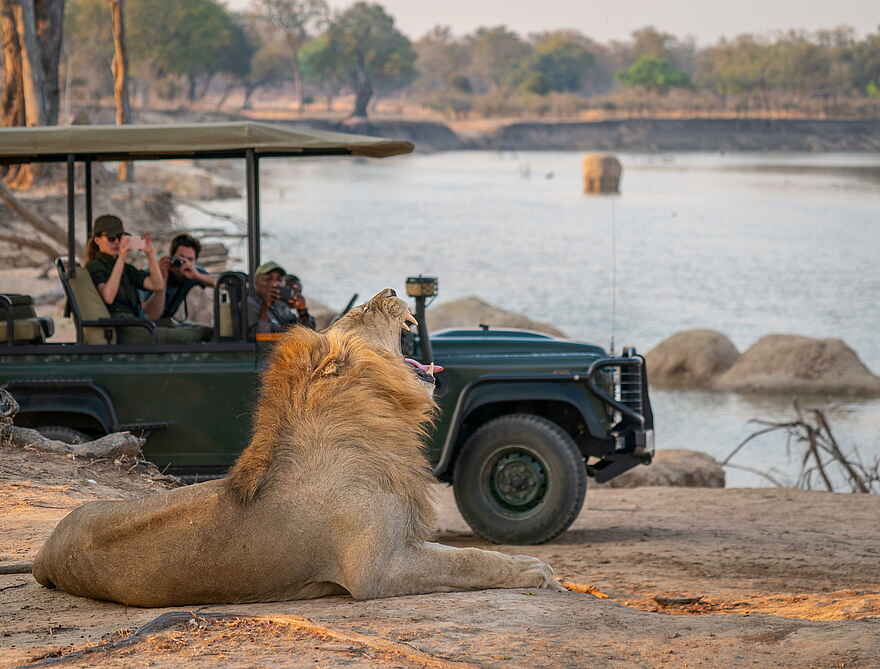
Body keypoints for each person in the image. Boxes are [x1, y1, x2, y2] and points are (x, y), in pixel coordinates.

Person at [84, 215, 206, 345]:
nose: (116, 243)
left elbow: (157, 285)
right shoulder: (95, 266)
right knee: (200, 334)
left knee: (193, 329)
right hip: (121, 328)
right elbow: (108, 296)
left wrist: (150, 254)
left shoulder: (126, 269)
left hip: (135, 324)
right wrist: (121, 258)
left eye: (120, 238)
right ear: (97, 240)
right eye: (111, 238)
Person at [143, 233, 217, 322]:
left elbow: (223, 283)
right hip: (146, 323)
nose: (184, 263)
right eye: (181, 259)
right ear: (171, 257)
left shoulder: (192, 271)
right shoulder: (152, 273)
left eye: (190, 260)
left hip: (166, 321)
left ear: (195, 262)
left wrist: (198, 276)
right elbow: (149, 316)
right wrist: (162, 279)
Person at [247, 261, 316, 337]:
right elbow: (262, 337)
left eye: (279, 280)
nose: (274, 283)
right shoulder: (249, 303)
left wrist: (302, 311)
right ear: (256, 283)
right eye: (268, 279)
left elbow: (307, 334)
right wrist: (265, 306)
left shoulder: (280, 305)